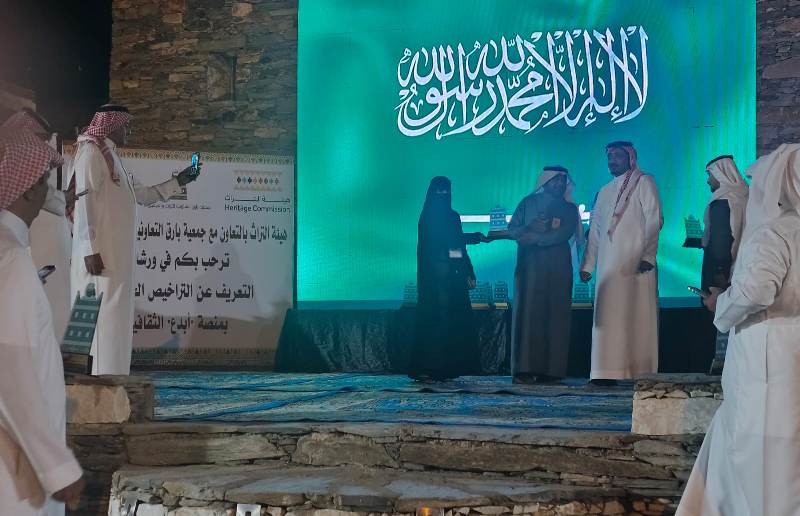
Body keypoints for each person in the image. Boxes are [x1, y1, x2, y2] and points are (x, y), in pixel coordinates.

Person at [676, 143, 800, 516]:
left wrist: (722, 304)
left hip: (768, 353)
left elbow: (757, 291)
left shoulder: (775, 232)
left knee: (762, 454)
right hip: (787, 349)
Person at [70, 104, 200, 375]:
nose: (128, 130)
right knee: (102, 317)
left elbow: (145, 196)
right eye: (125, 125)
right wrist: (90, 250)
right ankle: (100, 380)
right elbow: (82, 203)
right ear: (111, 125)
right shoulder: (91, 153)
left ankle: (115, 377)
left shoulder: (113, 158)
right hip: (100, 256)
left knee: (116, 317)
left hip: (117, 258)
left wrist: (180, 181)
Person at [0, 130, 85, 515]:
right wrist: (57, 468)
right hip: (19, 473)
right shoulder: (13, 259)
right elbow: (12, 370)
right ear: (30, 189)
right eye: (44, 182)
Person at [580, 141, 663, 385]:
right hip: (608, 266)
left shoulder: (645, 182)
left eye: (617, 156)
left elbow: (654, 220)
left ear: (630, 158)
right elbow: (595, 231)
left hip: (636, 263)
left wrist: (647, 255)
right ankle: (604, 372)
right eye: (609, 157)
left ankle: (641, 372)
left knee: (637, 317)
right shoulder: (604, 191)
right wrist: (588, 265)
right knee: (607, 319)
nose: (612, 161)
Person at [1, 109, 74, 339]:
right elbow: (51, 199)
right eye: (41, 139)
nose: (44, 144)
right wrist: (66, 198)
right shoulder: (11, 252)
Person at [508, 166, 580, 384]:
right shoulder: (527, 203)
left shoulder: (569, 208)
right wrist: (527, 231)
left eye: (563, 180)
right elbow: (513, 229)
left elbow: (563, 233)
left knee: (556, 317)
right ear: (545, 181)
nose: (559, 184)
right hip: (529, 270)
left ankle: (552, 371)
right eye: (555, 180)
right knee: (528, 316)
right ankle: (524, 370)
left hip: (558, 269)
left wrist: (535, 238)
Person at [409, 176, 481, 381]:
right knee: (437, 320)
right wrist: (473, 241)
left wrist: (466, 270)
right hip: (436, 278)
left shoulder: (444, 216)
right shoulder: (431, 217)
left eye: (446, 191)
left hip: (448, 278)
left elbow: (455, 247)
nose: (443, 195)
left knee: (447, 321)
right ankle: (431, 366)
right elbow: (449, 244)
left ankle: (443, 366)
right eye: (439, 191)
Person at [699, 155, 748, 292]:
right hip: (743, 271)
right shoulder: (746, 195)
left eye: (710, 174)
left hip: (722, 276)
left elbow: (721, 244)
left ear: (720, 173)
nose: (708, 180)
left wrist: (717, 275)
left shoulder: (721, 201)